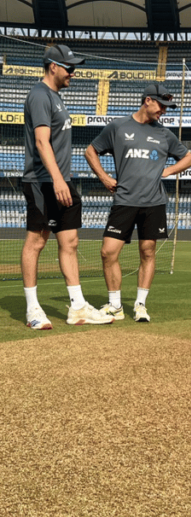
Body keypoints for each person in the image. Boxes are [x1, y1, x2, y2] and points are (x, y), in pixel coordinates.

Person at [21, 44, 114, 329]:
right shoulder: (39, 95)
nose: (73, 73)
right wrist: (58, 179)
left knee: (70, 242)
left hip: (62, 180)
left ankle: (78, 308)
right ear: (53, 67)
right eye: (70, 68)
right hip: (43, 181)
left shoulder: (56, 97)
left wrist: (64, 179)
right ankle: (33, 310)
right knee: (36, 242)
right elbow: (41, 141)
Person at [85, 84, 191, 323]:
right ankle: (115, 305)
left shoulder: (165, 134)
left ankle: (140, 305)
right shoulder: (118, 127)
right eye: (161, 105)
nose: (164, 111)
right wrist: (104, 177)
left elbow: (189, 157)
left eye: (167, 107)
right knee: (107, 252)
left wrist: (168, 171)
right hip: (124, 201)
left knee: (147, 251)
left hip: (154, 203)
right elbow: (90, 151)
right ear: (147, 101)